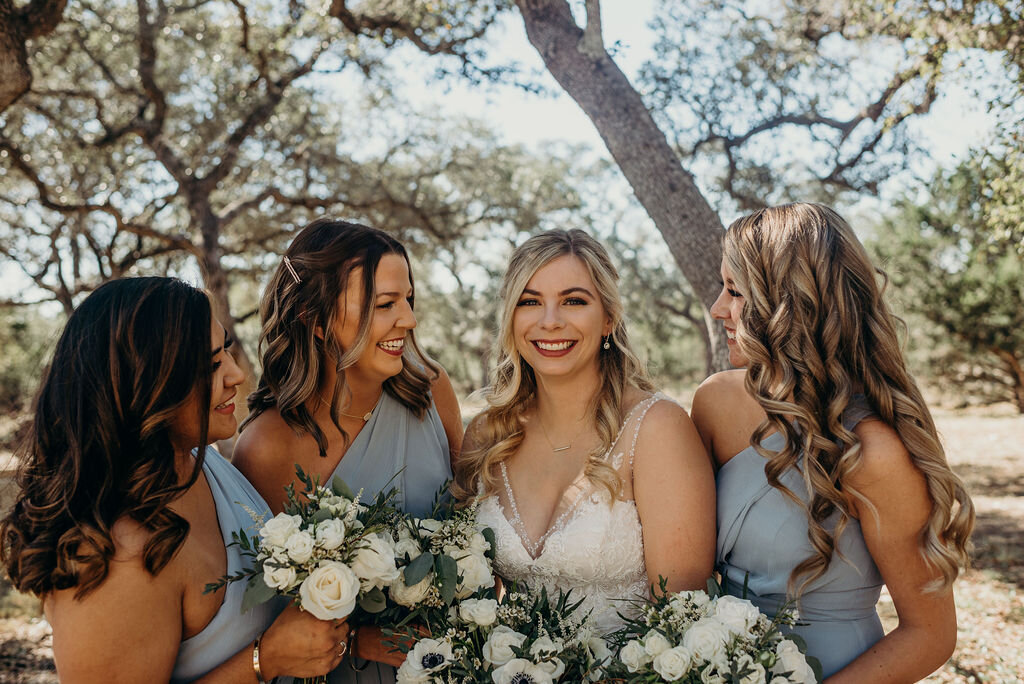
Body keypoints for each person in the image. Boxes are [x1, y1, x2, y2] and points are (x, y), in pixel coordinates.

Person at [0, 277, 348, 683]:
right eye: (211, 365)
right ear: (145, 384)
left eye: (228, 352)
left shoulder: (200, 460)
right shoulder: (116, 556)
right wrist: (264, 660)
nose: (235, 375)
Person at [692, 203, 975, 681]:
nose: (719, 308)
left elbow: (930, 635)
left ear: (790, 305)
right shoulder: (715, 402)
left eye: (735, 291)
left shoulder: (873, 451)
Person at [452, 228, 716, 635]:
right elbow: (472, 601)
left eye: (574, 301)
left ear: (608, 317)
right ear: (511, 317)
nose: (550, 321)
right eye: (530, 301)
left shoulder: (656, 429)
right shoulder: (488, 435)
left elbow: (680, 617)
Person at [232, 218, 463, 683]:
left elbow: (472, 518)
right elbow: (264, 607)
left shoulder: (429, 389)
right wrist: (359, 639)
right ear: (314, 321)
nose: (409, 320)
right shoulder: (268, 446)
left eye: (408, 300)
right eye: (385, 304)